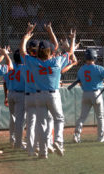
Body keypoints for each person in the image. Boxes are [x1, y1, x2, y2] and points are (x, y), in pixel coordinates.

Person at [20, 23, 75, 159]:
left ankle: (43, 152)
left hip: (38, 95)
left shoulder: (34, 62)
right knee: (58, 118)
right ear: (50, 52)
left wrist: (26, 36)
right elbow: (71, 52)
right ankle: (57, 141)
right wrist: (72, 39)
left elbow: (22, 51)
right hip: (52, 94)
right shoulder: (56, 61)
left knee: (41, 123)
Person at [73, 49, 104, 143]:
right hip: (96, 93)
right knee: (100, 117)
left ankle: (76, 136)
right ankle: (100, 138)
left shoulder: (81, 69)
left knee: (82, 117)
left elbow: (79, 82)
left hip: (85, 94)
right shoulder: (99, 68)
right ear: (95, 57)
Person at [3, 49, 26, 149]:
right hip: (21, 95)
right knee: (20, 120)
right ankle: (18, 142)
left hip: (10, 94)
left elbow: (4, 83)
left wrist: (5, 96)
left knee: (13, 118)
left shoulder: (10, 67)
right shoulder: (24, 68)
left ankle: (12, 139)